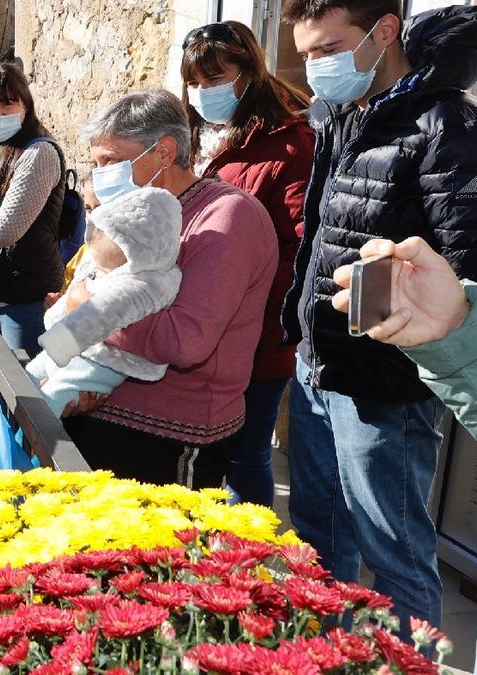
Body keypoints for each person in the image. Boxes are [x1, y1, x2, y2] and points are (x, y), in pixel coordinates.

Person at [280, 0, 477, 632]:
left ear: (384, 32)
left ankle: (411, 656)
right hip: (319, 364)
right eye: (307, 53)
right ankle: (329, 652)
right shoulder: (340, 115)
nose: (316, 67)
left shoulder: (450, 128)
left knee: (394, 553)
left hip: (386, 384)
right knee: (320, 535)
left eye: (328, 49)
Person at [54, 89, 277, 490]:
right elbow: (84, 288)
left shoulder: (226, 216)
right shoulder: (131, 212)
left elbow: (185, 340)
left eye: (112, 161)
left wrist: (88, 312)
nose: (101, 174)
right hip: (104, 414)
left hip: (174, 438)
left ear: (164, 152)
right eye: (96, 163)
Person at [324, 237, 477, 674]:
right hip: (338, 361)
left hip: (386, 390)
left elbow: (471, 241)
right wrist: (458, 329)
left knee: (396, 551)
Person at [180, 20, 314, 508]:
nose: (201, 92)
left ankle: (246, 558)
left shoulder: (289, 143)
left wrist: (252, 324)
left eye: (214, 80)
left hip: (252, 331)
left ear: (248, 74)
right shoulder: (200, 134)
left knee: (246, 455)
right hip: (198, 319)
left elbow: (293, 250)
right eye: (193, 82)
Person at [26, 187, 182, 418]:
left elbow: (99, 314)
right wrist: (58, 316)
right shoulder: (122, 265)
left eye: (104, 269)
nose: (100, 272)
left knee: (48, 405)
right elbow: (80, 290)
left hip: (103, 362)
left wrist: (59, 341)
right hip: (86, 348)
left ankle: (23, 450)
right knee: (26, 378)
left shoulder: (140, 285)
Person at [0, 63, 65, 357]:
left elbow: (9, 226)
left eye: (7, 104)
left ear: (25, 107)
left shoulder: (38, 152)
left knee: (23, 392)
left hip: (26, 295)